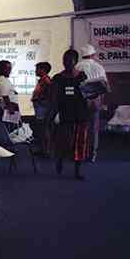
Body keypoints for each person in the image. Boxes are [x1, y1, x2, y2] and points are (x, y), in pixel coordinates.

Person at [49, 49, 90, 180]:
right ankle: (60, 160)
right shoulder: (58, 78)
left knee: (80, 143)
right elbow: (54, 98)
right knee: (63, 142)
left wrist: (94, 93)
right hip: (65, 115)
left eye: (69, 61)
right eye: (64, 61)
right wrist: (52, 115)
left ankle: (77, 171)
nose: (66, 63)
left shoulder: (82, 76)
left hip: (80, 115)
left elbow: (87, 94)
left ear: (75, 62)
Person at [75, 45, 109, 162]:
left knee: (81, 127)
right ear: (93, 55)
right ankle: (92, 155)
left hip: (81, 101)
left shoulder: (77, 66)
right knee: (94, 128)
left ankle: (80, 153)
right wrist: (101, 102)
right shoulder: (99, 67)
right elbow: (104, 86)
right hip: (95, 100)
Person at [31, 62, 52, 156]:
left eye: (38, 69)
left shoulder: (46, 80)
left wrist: (40, 100)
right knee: (41, 129)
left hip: (43, 108)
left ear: (43, 70)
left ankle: (46, 150)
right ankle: (43, 149)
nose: (36, 71)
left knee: (44, 129)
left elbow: (49, 94)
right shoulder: (42, 80)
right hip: (40, 108)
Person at [0, 60, 20, 125]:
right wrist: (11, 109)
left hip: (6, 107)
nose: (9, 70)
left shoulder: (1, 79)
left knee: (7, 127)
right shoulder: (3, 80)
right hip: (7, 108)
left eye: (10, 68)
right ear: (1, 69)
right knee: (9, 128)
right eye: (7, 68)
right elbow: (5, 96)